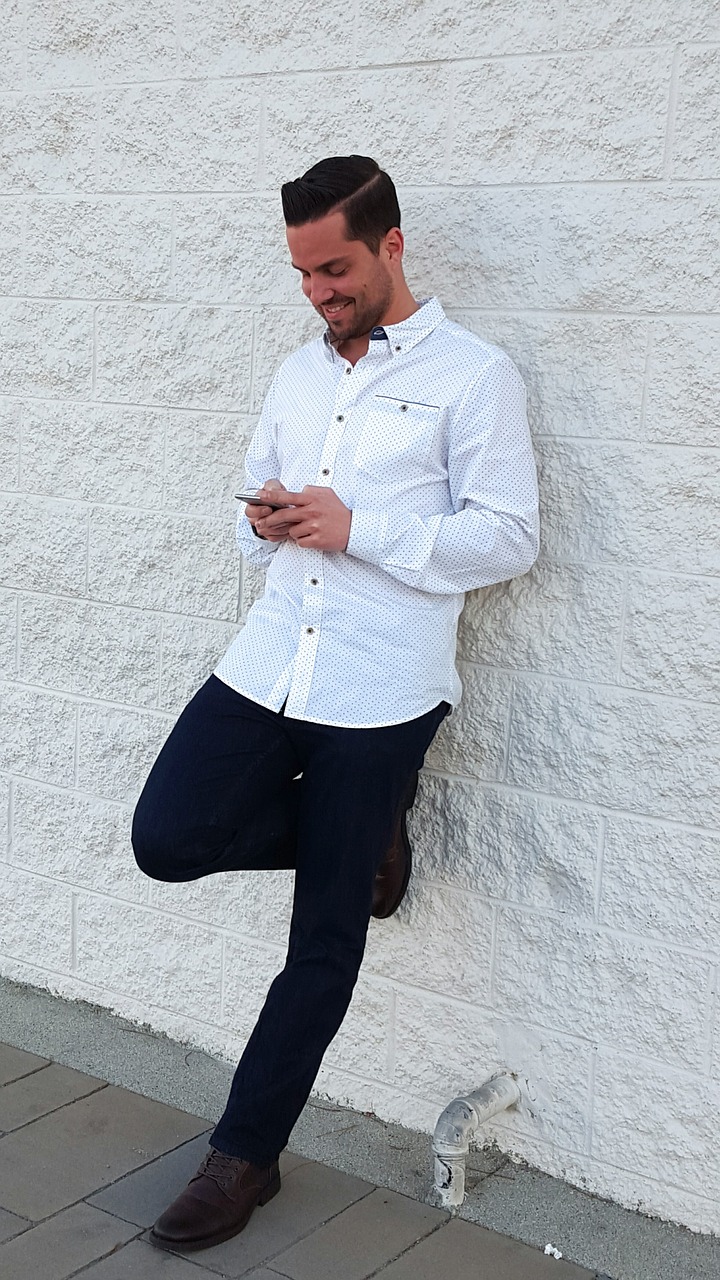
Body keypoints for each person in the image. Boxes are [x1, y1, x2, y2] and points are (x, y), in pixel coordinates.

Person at [131, 154, 539, 1253]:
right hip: (271, 661)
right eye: (304, 273)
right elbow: (252, 498)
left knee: (323, 940)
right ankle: (363, 848)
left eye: (337, 267)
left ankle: (242, 1156)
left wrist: (364, 527)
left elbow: (509, 533)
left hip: (381, 686)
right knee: (166, 835)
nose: (319, 291)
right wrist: (261, 517)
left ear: (392, 245)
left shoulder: (472, 375)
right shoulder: (297, 372)